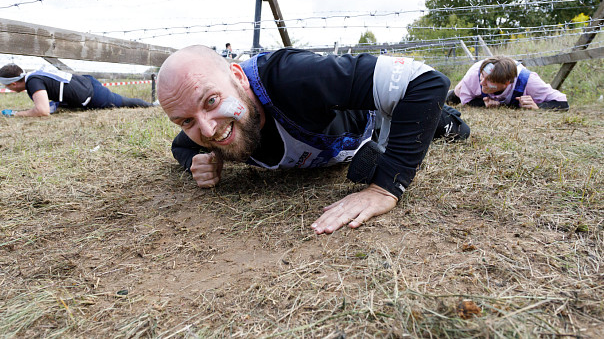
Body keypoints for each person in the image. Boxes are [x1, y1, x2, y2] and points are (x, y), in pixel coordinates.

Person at [157, 45, 469, 235]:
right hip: (339, 148)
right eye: (186, 120)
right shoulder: (201, 127)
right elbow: (182, 147)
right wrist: (198, 162)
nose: (208, 131)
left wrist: (385, 187)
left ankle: (447, 119)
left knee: (440, 122)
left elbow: (425, 81)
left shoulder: (293, 78)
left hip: (372, 121)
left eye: (211, 101)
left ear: (238, 77)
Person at [0, 64, 154, 117]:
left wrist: (16, 114)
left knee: (122, 102)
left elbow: (42, 110)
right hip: (85, 82)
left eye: (6, 86)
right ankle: (152, 104)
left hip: (92, 94)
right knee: (122, 100)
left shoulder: (33, 82)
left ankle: (153, 106)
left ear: (13, 84)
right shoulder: (35, 76)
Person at [446, 55, 568, 110]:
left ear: (507, 83)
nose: (482, 83)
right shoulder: (474, 75)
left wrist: (538, 107)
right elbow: (466, 102)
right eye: (482, 76)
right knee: (452, 97)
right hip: (465, 88)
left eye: (489, 81)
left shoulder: (528, 81)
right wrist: (483, 104)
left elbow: (562, 103)